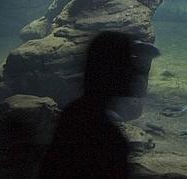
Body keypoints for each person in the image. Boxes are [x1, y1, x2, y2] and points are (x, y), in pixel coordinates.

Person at [38, 31, 142, 179]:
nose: (135, 70)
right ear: (111, 70)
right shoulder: (100, 132)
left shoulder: (75, 114)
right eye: (128, 62)